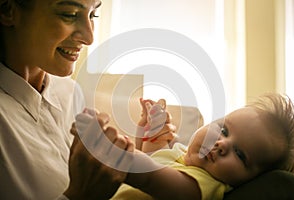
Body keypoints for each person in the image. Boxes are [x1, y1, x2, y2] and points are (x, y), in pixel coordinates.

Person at [0, 0, 175, 199]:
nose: (90, 37)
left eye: (93, 15)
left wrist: (148, 153)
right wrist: (81, 195)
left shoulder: (69, 91)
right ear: (8, 11)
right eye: (70, 14)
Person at [74, 93, 294, 200]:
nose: (221, 144)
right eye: (223, 130)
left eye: (240, 154)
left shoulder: (203, 186)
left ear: (250, 179)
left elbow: (150, 175)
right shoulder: (182, 154)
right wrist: (150, 129)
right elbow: (154, 155)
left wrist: (112, 149)